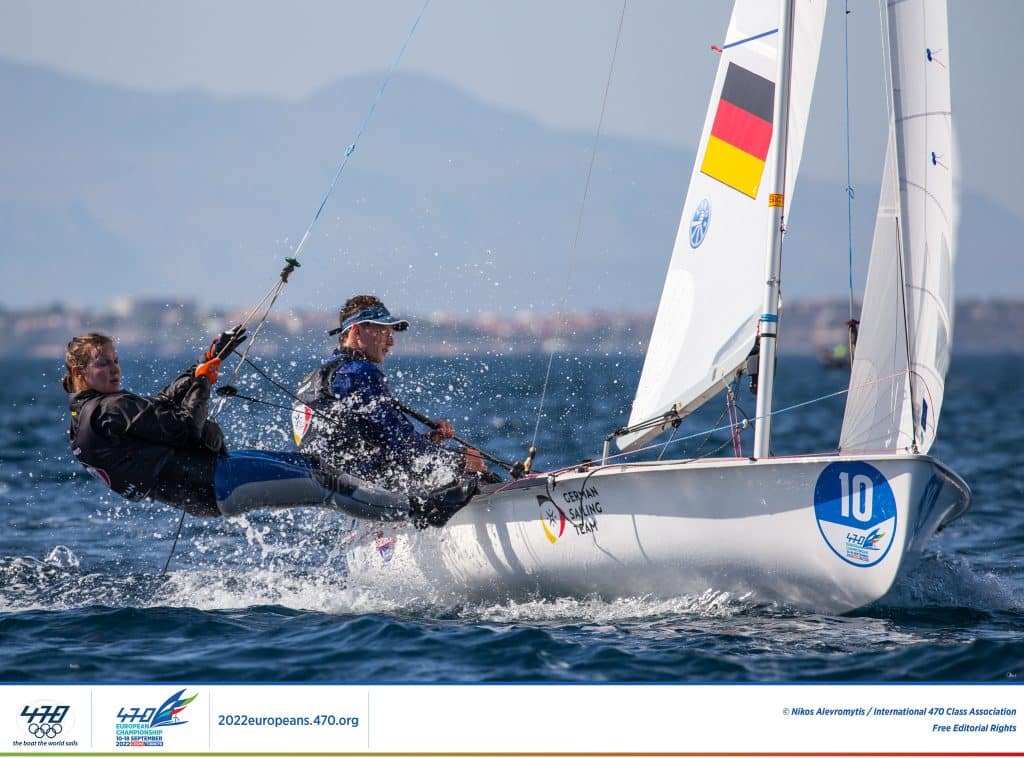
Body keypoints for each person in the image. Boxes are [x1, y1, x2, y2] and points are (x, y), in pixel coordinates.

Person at [64, 330, 453, 524]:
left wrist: (207, 362)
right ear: (80, 373)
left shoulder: (90, 416)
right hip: (218, 483)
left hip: (216, 476)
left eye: (115, 360)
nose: (114, 369)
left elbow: (162, 406)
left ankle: (399, 499)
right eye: (103, 364)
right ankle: (421, 511)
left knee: (324, 470)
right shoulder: (107, 410)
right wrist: (204, 381)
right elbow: (184, 425)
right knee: (324, 483)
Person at [294, 295, 486, 502]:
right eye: (383, 331)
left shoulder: (317, 376)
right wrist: (457, 461)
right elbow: (402, 445)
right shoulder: (357, 372)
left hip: (338, 484)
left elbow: (380, 440)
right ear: (357, 331)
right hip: (364, 486)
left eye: (391, 332)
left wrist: (430, 441)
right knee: (472, 463)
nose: (391, 341)